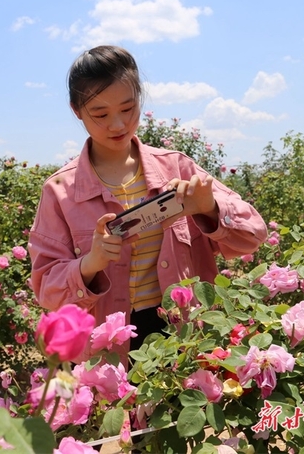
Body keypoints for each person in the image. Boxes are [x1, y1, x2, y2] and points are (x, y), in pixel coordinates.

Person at [28, 45, 267, 363]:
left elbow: (253, 235)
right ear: (77, 111)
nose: (117, 124)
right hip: (110, 351)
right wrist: (91, 263)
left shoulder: (176, 167)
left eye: (128, 109)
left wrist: (209, 208)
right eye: (100, 114)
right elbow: (47, 291)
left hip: (184, 338)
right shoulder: (61, 191)